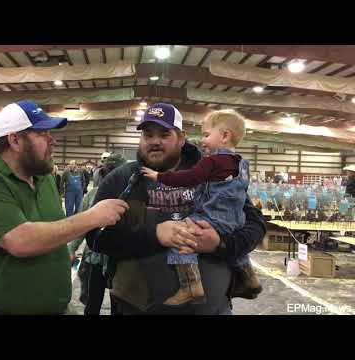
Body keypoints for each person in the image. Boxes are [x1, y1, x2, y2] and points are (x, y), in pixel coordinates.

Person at [86, 102, 266, 315]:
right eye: (147, 135)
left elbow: (256, 225)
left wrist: (221, 243)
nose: (154, 142)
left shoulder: (214, 172)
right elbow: (96, 237)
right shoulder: (121, 179)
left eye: (164, 134)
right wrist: (155, 235)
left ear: (181, 138)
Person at [0, 101, 128, 315]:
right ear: (15, 140)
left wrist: (62, 253)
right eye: (42, 134)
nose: (53, 140)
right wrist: (93, 217)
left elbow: (52, 227)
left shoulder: (44, 180)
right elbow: (22, 241)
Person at [141, 109, 261, 305]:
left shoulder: (212, 161)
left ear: (224, 136)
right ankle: (249, 278)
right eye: (148, 134)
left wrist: (159, 177)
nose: (202, 140)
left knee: (181, 238)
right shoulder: (241, 164)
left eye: (206, 135)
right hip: (235, 219)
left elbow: (190, 177)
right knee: (236, 242)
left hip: (213, 218)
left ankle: (190, 286)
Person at [68, 153, 127, 315]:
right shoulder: (93, 194)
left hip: (118, 260)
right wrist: (71, 249)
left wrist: (72, 249)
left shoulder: (131, 196)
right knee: (95, 302)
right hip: (97, 258)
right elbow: (81, 225)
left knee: (115, 304)